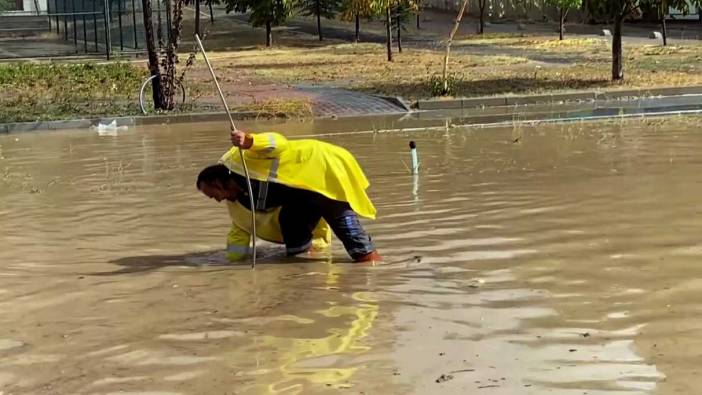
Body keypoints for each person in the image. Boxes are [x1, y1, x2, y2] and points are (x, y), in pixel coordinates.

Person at [196, 130, 381, 263]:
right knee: (292, 234)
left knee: (355, 243)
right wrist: (231, 262)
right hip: (298, 197)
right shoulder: (238, 203)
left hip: (321, 171)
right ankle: (307, 269)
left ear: (218, 184)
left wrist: (250, 141)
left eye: (214, 195)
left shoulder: (241, 158)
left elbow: (278, 142)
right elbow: (239, 233)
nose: (218, 200)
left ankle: (372, 272)